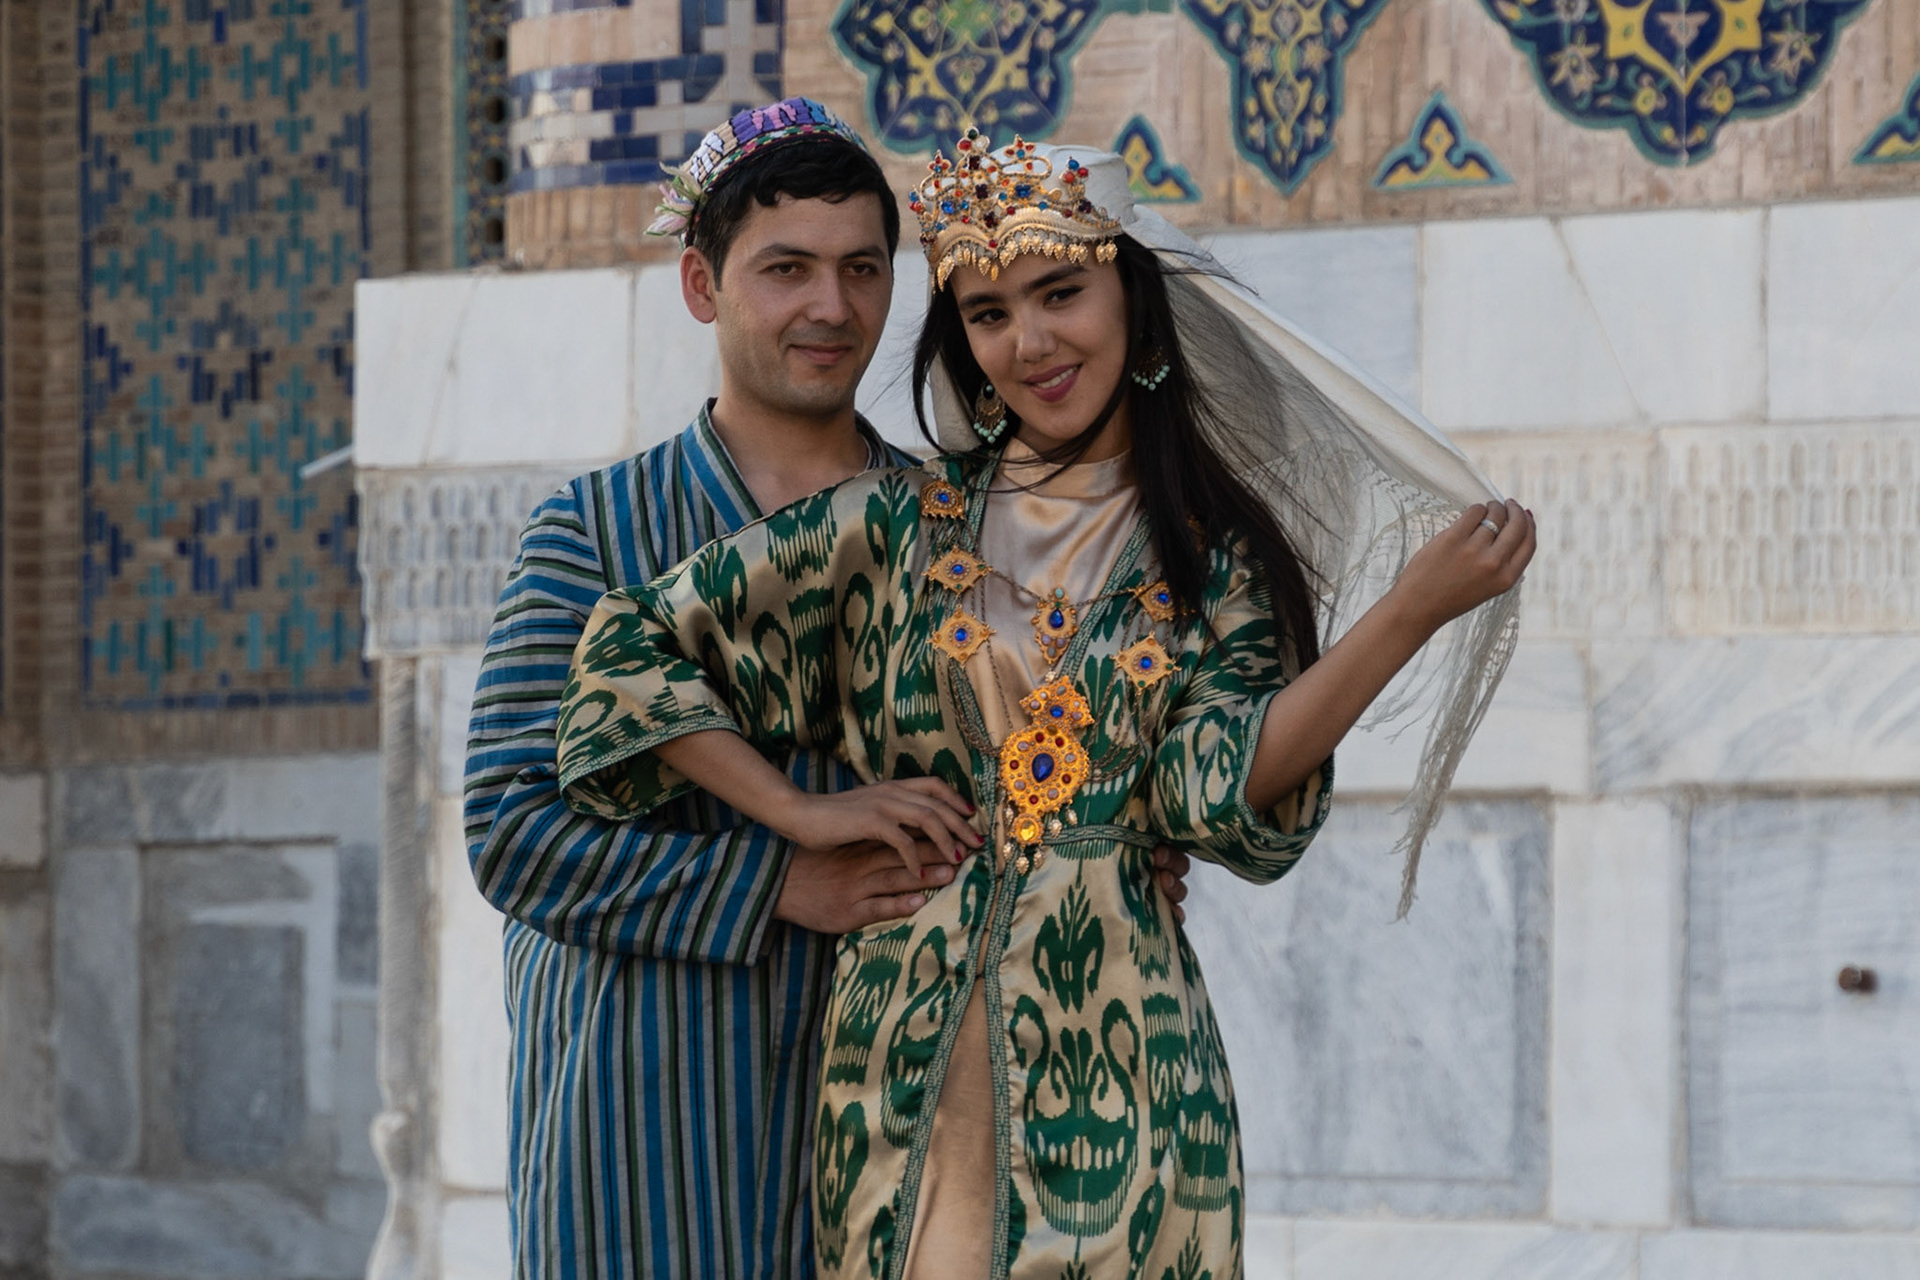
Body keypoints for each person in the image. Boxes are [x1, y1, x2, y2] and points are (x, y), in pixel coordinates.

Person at [553, 134, 1535, 1277]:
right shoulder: (892, 525)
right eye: (985, 312)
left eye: (1059, 290)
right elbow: (628, 644)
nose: (1029, 343)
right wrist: (804, 814)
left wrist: (1408, 613)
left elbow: (1213, 791)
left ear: (1130, 291)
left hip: (1130, 1073)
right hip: (900, 1063)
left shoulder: (1212, 564)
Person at [464, 101, 1196, 1279]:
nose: (831, 307)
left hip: (893, 1123)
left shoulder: (972, 528)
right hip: (645, 1125)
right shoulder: (592, 533)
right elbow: (511, 833)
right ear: (702, 285)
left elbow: (1039, 773)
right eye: (786, 270)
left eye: (863, 268)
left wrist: (1115, 845)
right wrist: (782, 877)